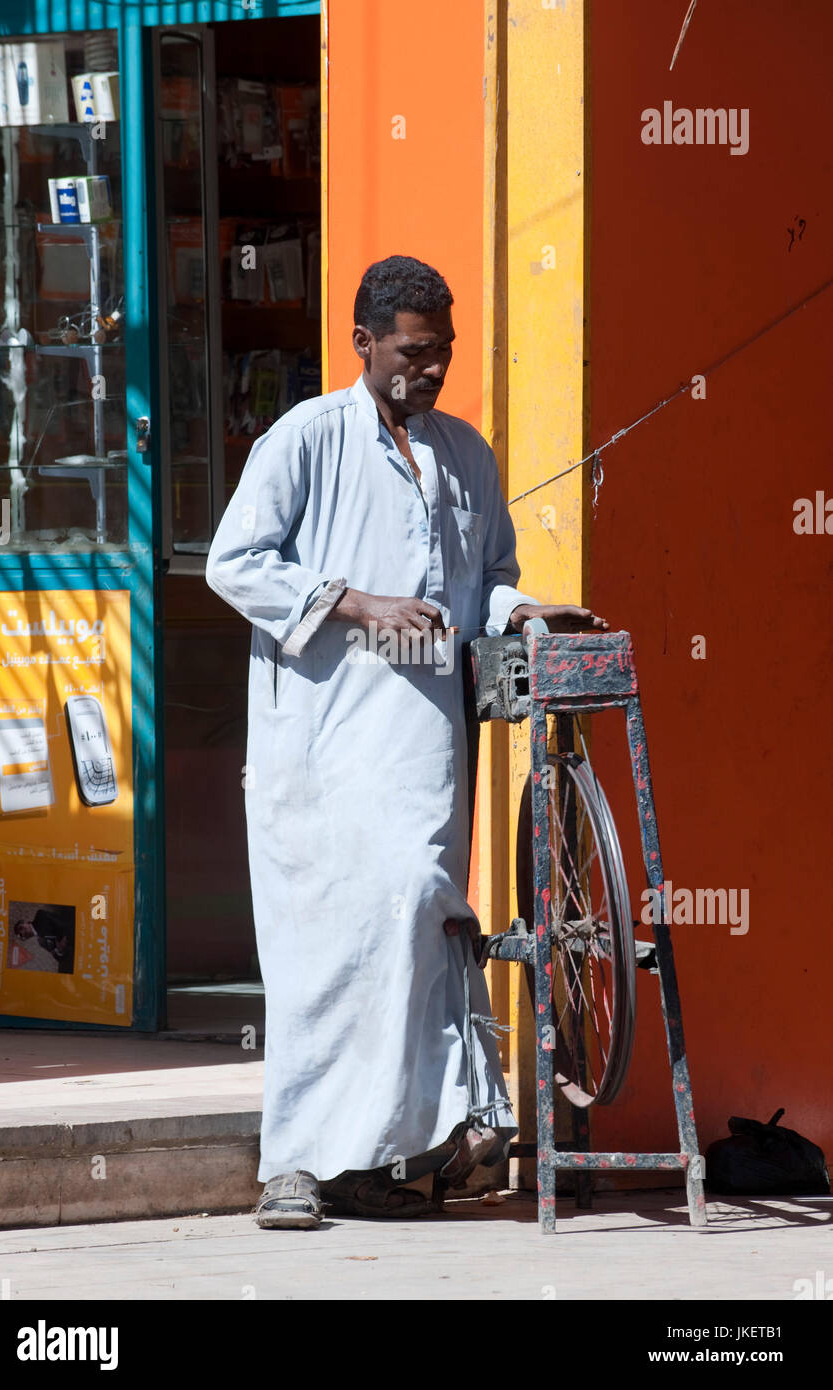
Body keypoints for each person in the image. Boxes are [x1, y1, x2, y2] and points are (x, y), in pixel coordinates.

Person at [205, 255, 608, 1228]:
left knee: (416, 930)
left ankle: (377, 1160)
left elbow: (489, 578)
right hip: (319, 744)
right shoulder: (305, 438)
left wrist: (531, 609)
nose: (429, 372)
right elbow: (235, 561)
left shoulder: (466, 454)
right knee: (319, 955)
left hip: (424, 749)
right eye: (413, 353)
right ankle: (293, 1167)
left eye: (442, 354)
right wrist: (355, 599)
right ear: (364, 343)